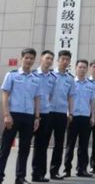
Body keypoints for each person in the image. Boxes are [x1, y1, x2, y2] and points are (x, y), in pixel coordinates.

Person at [0, 48, 40, 184]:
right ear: (22, 58)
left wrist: (37, 118)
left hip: (29, 116)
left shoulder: (36, 78)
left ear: (34, 60)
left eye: (31, 58)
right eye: (26, 57)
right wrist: (6, 114)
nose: (29, 60)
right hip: (13, 115)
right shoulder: (12, 75)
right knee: (5, 147)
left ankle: (20, 177)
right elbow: (5, 95)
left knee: (25, 148)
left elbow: (37, 99)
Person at [63, 59, 95, 178]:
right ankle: (67, 169)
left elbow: (92, 102)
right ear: (76, 68)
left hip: (85, 117)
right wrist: (68, 113)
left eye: (84, 67)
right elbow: (66, 98)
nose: (82, 69)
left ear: (87, 69)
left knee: (84, 145)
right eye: (80, 67)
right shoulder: (70, 82)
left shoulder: (90, 85)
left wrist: (93, 116)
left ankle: (82, 169)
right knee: (70, 145)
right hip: (73, 117)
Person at [31, 50, 56, 183]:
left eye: (51, 59)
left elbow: (50, 95)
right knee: (26, 146)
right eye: (47, 58)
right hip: (31, 114)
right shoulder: (33, 74)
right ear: (41, 58)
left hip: (46, 114)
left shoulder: (53, 77)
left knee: (42, 145)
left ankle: (39, 174)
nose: (49, 61)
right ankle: (21, 175)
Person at [49, 50, 74, 180]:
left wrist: (70, 112)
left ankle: (54, 171)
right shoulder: (50, 75)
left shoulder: (70, 78)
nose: (65, 61)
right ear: (58, 60)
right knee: (42, 142)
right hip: (48, 113)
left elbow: (70, 97)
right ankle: (38, 172)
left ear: (69, 62)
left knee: (59, 144)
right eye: (62, 59)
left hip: (61, 114)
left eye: (67, 59)